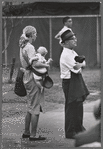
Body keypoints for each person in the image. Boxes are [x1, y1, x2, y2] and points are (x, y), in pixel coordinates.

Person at [19, 25, 50, 141]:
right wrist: (46, 65)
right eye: (35, 33)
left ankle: (27, 132)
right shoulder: (30, 47)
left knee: (30, 106)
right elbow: (35, 64)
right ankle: (33, 134)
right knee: (36, 106)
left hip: (26, 75)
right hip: (33, 77)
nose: (36, 35)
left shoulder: (22, 46)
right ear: (31, 35)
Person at [59, 29, 89, 139]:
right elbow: (78, 69)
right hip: (69, 82)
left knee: (78, 105)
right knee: (71, 106)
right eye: (72, 39)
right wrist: (81, 64)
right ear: (65, 43)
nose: (75, 40)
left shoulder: (72, 52)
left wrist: (80, 63)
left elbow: (82, 63)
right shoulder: (66, 54)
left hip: (75, 80)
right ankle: (70, 132)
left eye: (74, 37)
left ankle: (78, 128)